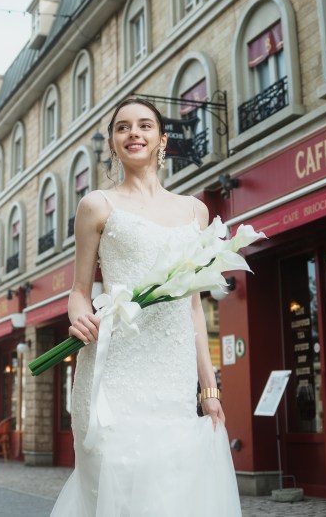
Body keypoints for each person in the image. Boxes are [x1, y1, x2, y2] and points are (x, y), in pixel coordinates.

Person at [51, 98, 242, 516]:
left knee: (167, 494)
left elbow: (194, 309)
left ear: (162, 139)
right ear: (113, 143)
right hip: (111, 368)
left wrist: (208, 390)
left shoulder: (195, 210)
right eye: (122, 128)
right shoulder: (96, 206)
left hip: (170, 373)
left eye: (144, 126)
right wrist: (79, 315)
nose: (133, 133)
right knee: (112, 488)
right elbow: (79, 289)